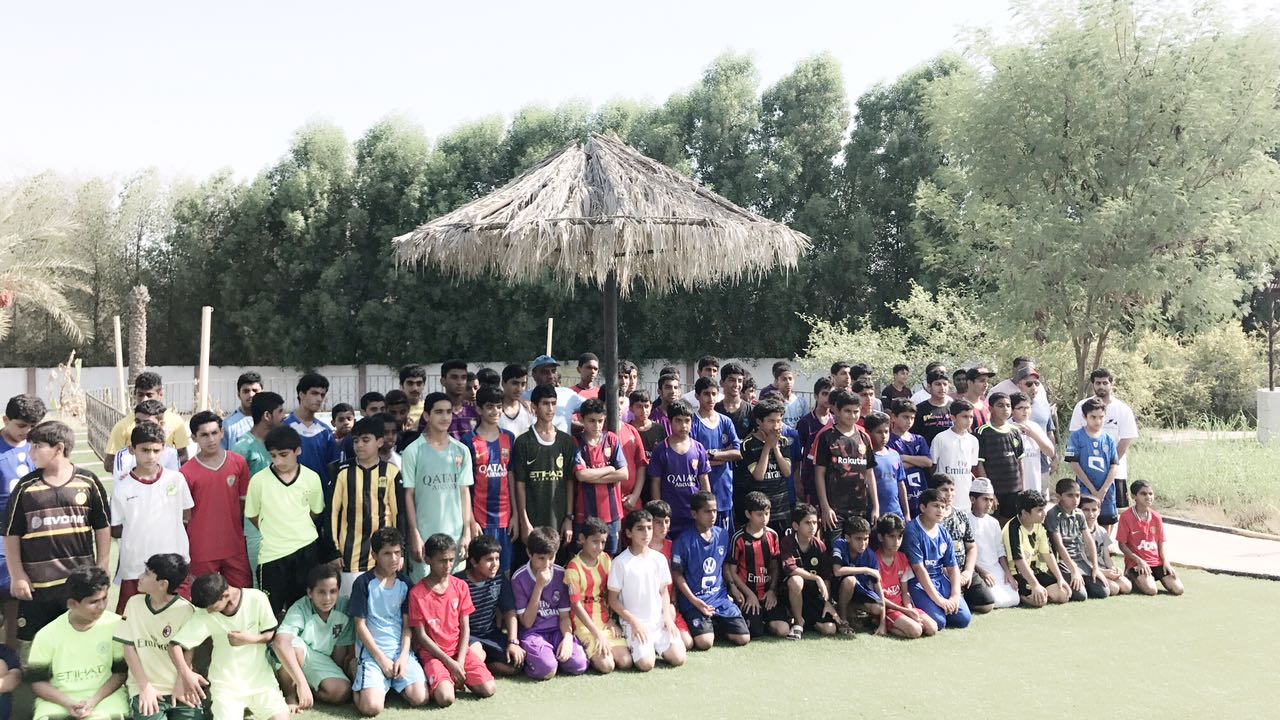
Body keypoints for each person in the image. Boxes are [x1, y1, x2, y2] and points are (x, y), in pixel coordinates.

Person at [3, 420, 110, 643]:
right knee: (38, 643)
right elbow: (11, 533)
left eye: (37, 446)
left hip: (79, 583)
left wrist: (102, 565)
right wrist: (18, 575)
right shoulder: (25, 487)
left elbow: (102, 526)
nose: (30, 452)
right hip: (39, 586)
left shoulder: (88, 482)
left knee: (81, 639)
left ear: (59, 448)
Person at [170, 572, 288, 720]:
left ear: (225, 595)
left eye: (212, 607)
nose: (208, 611)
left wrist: (249, 639)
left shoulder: (257, 598)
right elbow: (174, 645)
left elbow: (270, 633)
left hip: (261, 681)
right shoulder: (204, 613)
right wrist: (186, 674)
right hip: (226, 687)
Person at [110, 423, 193, 612]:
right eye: (145, 450)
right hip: (136, 567)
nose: (151, 456)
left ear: (164, 449)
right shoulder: (122, 487)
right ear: (132, 449)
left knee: (180, 616)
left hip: (174, 564)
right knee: (132, 618)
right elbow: (116, 528)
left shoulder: (176, 479)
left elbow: (186, 514)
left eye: (156, 450)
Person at [407, 533, 496, 707]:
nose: (448, 565)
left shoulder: (461, 586)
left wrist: (459, 662)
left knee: (489, 688)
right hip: (433, 655)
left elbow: (465, 628)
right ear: (428, 560)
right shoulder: (416, 593)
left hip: (458, 651)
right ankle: (438, 679)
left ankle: (451, 677)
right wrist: (449, 663)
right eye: (442, 561)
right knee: (446, 698)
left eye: (450, 560)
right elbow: (421, 637)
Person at [345, 528, 428, 713]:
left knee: (421, 698)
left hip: (399, 653)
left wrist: (403, 658)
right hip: (373, 655)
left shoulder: (406, 584)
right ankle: (358, 676)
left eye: (397, 552)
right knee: (371, 708)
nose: (394, 558)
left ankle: (388, 684)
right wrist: (381, 660)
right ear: (374, 555)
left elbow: (407, 627)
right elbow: (360, 626)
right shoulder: (363, 583)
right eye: (387, 554)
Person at [29, 565, 128, 720]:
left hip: (105, 699)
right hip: (58, 702)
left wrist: (93, 701)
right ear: (72, 604)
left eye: (104, 598)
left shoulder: (117, 625)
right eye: (94, 602)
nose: (101, 606)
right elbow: (37, 681)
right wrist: (68, 703)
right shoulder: (46, 635)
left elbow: (120, 674)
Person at [245, 425, 325, 616]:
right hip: (272, 556)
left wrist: (297, 528)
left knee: (306, 611)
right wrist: (274, 529)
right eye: (273, 456)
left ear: (298, 450)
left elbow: (315, 512)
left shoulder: (312, 478)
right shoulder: (258, 481)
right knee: (268, 614)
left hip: (306, 551)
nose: (278, 461)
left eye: (283, 454)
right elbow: (252, 515)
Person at [114, 553, 196, 720]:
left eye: (147, 573)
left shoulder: (186, 610)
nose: (140, 577)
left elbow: (189, 650)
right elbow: (129, 649)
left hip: (180, 687)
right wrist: (145, 688)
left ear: (162, 584)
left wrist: (180, 684)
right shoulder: (133, 604)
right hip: (145, 689)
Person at [402, 392, 474, 580]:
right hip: (425, 537)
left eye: (449, 412)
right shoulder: (413, 451)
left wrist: (467, 531)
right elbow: (409, 495)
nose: (445, 417)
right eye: (439, 412)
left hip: (455, 536)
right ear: (427, 416)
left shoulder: (461, 450)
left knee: (454, 590)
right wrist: (414, 534)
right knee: (424, 591)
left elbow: (464, 492)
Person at [607, 508, 687, 672]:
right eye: (640, 529)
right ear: (628, 533)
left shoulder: (659, 559)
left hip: (658, 622)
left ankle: (654, 646)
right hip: (634, 624)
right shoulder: (620, 563)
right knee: (646, 664)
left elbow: (664, 591)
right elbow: (612, 600)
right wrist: (634, 622)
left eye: (649, 528)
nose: (646, 533)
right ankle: (639, 646)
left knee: (679, 658)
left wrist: (667, 618)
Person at [182, 411, 252, 591]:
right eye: (204, 435)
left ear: (222, 432)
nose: (211, 439)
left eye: (214, 432)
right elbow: (185, 516)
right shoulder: (185, 472)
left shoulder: (238, 463)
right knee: (204, 597)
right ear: (194, 438)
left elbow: (243, 503)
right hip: (201, 549)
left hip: (234, 545)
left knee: (241, 595)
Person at [671, 492, 750, 649]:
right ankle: (705, 627)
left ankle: (714, 624)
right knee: (705, 642)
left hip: (719, 598)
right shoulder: (683, 541)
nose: (713, 515)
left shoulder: (723, 535)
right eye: (707, 511)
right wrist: (694, 601)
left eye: (714, 511)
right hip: (694, 600)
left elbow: (725, 564)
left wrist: (732, 587)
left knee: (743, 638)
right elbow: (677, 574)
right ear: (694, 514)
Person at [331, 416, 401, 595]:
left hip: (385, 555)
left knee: (383, 604)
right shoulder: (343, 472)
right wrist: (334, 550)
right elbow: (332, 513)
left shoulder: (392, 472)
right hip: (351, 555)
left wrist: (401, 551)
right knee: (353, 604)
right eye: (356, 441)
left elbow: (398, 514)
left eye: (365, 440)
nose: (359, 445)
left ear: (379, 442)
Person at [271, 563, 354, 711]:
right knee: (292, 648)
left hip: (321, 659)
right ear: (310, 592)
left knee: (341, 692)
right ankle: (290, 694)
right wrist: (301, 683)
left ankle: (307, 691)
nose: (327, 598)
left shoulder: (344, 608)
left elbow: (340, 652)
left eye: (333, 591)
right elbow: (280, 642)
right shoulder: (300, 608)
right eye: (321, 592)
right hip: (301, 654)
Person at [511, 526, 588, 680]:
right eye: (541, 558)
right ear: (529, 553)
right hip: (533, 633)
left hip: (557, 631)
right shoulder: (518, 578)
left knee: (579, 664)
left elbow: (564, 617)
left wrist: (567, 638)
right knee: (547, 669)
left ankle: (553, 654)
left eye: (551, 557)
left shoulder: (561, 574)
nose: (546, 564)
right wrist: (539, 586)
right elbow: (527, 623)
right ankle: (540, 659)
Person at [512, 386, 576, 566]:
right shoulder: (523, 441)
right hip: (533, 521)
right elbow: (519, 484)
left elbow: (569, 482)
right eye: (545, 404)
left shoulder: (565, 441)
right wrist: (524, 521)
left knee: (556, 570)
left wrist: (568, 518)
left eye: (553, 403)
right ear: (534, 407)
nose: (550, 408)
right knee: (531, 570)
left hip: (558, 522)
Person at [0, 393, 46, 647]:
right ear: (6, 420)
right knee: (6, 591)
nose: (26, 431)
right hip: (3, 535)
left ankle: (14, 649)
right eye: (21, 425)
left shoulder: (40, 446)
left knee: (21, 596)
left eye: (32, 426)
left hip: (34, 533)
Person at [232, 390, 286, 582]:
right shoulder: (242, 447)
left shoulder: (281, 444)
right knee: (260, 577)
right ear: (267, 416)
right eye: (280, 412)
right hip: (255, 523)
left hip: (282, 519)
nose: (284, 416)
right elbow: (235, 492)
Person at [461, 386, 517, 573]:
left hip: (505, 520)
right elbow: (464, 486)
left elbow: (511, 477)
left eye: (499, 406)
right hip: (480, 521)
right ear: (479, 409)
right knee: (480, 570)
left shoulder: (509, 438)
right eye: (490, 407)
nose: (496, 411)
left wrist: (515, 515)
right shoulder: (468, 441)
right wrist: (471, 521)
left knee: (503, 570)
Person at [564, 518, 630, 674]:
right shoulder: (573, 568)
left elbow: (610, 593)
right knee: (607, 666)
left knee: (626, 662)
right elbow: (576, 606)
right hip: (584, 625)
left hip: (604, 621)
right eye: (595, 541)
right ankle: (584, 647)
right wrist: (597, 634)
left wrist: (612, 620)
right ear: (582, 539)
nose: (599, 547)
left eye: (603, 542)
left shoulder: (605, 559)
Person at [1069, 368, 1139, 512]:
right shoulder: (1081, 407)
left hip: (1114, 472)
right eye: (1098, 383)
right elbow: (1075, 438)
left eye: (1105, 383)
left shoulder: (1123, 409)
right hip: (1086, 473)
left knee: (1113, 513)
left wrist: (1108, 465)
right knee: (1085, 512)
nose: (1101, 386)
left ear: (1111, 384)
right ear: (1093, 385)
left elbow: (1125, 441)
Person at [812, 390, 876, 544]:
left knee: (857, 550)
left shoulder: (864, 437)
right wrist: (825, 508)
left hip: (859, 508)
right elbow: (819, 474)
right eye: (847, 411)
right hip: (835, 510)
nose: (852, 415)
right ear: (837, 411)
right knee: (835, 551)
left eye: (856, 411)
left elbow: (870, 473)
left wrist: (876, 507)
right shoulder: (827, 436)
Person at [903, 488, 971, 630]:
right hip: (918, 583)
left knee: (964, 619)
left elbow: (953, 567)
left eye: (943, 507)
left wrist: (955, 595)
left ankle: (942, 608)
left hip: (940, 579)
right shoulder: (912, 531)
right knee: (939, 622)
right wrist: (939, 600)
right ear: (923, 508)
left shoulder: (943, 532)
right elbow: (918, 569)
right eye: (935, 506)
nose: (940, 510)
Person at [457, 535, 524, 677]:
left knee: (516, 663)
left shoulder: (499, 578)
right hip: (467, 635)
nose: (494, 564)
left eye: (497, 559)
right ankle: (479, 661)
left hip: (490, 633)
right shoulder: (458, 582)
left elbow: (509, 611)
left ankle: (486, 664)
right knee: (476, 655)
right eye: (489, 560)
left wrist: (513, 642)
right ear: (474, 562)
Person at [930, 474, 995, 614]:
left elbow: (971, 547)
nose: (949, 494)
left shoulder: (961, 515)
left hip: (964, 571)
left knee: (987, 604)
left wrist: (968, 571)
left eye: (952, 490)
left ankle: (964, 598)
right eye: (944, 490)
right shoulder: (932, 519)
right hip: (942, 572)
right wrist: (952, 575)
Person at [726, 492, 787, 639]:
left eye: (767, 513)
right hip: (748, 595)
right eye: (759, 514)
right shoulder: (738, 538)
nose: (764, 518)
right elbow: (732, 571)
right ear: (748, 514)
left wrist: (772, 590)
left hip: (767, 595)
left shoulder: (773, 535)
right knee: (755, 632)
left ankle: (766, 620)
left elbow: (775, 566)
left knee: (783, 630)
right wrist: (749, 594)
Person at [647, 401, 711, 541]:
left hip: (694, 514)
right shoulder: (661, 450)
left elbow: (704, 480)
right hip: (671, 515)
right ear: (670, 422)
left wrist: (707, 507)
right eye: (678, 421)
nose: (683, 425)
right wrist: (659, 511)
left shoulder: (698, 448)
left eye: (687, 421)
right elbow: (655, 483)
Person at [572, 398, 628, 555]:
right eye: (591, 421)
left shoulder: (611, 439)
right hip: (585, 514)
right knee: (583, 558)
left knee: (610, 558)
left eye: (600, 421)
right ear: (581, 419)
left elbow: (624, 474)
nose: (596, 425)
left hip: (611, 515)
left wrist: (591, 475)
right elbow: (581, 475)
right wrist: (609, 468)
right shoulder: (576, 441)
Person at [104, 372, 190, 473]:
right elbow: (109, 463)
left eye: (149, 395)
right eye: (140, 394)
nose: (144, 399)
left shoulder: (176, 422)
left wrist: (160, 472)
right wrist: (137, 472)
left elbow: (183, 456)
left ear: (160, 394)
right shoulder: (122, 426)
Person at [1003, 490, 1072, 607]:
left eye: (1044, 509)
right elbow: (1018, 560)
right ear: (1025, 513)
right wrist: (1035, 585)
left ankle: (1041, 593)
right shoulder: (1012, 528)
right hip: (1019, 574)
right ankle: (1021, 596)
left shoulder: (1039, 524)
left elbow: (1048, 553)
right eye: (1039, 510)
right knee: (1040, 601)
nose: (1044, 513)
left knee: (1063, 595)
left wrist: (1060, 578)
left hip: (1036, 571)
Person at [689, 377, 741, 530]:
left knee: (724, 538)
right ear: (697, 396)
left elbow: (737, 453)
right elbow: (693, 462)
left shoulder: (725, 421)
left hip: (724, 491)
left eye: (714, 394)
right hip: (701, 492)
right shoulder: (692, 423)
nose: (711, 398)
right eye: (706, 394)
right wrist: (724, 456)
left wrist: (711, 456)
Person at [781, 504, 839, 639]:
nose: (812, 527)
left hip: (811, 595)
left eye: (815, 522)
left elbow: (826, 576)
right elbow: (790, 569)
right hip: (788, 593)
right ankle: (798, 622)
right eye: (807, 523)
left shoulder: (820, 546)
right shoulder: (787, 542)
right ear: (796, 526)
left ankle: (807, 621)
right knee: (796, 580)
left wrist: (827, 601)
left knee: (830, 629)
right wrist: (816, 578)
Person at [1045, 478, 1109, 601]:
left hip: (1080, 560)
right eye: (1070, 496)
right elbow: (1059, 545)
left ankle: (1082, 580)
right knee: (1081, 596)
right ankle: (1055, 577)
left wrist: (1095, 567)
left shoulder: (1079, 513)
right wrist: (1074, 571)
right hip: (1063, 562)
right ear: (1059, 497)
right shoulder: (1053, 514)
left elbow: (1089, 540)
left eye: (1077, 495)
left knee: (1103, 591)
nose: (1075, 500)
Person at [873, 514, 936, 638]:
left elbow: (904, 591)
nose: (896, 542)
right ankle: (880, 623)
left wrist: (909, 609)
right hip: (887, 609)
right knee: (916, 631)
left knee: (932, 628)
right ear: (880, 537)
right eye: (891, 536)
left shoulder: (902, 558)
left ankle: (903, 624)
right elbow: (878, 597)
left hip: (902, 607)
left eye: (899, 537)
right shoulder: (873, 560)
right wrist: (904, 611)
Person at [1117, 481, 1183, 596]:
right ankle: (1130, 575)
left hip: (1157, 563)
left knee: (1178, 589)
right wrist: (1139, 561)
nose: (1148, 497)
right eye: (1143, 494)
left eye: (1150, 493)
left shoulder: (1157, 517)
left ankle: (1150, 577)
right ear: (1134, 496)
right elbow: (1122, 545)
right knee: (1151, 590)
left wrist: (1166, 562)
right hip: (1137, 563)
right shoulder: (1126, 516)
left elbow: (1160, 543)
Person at [643, 500, 694, 650]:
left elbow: (676, 577)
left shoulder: (673, 546)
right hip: (647, 607)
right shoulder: (640, 548)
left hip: (669, 605)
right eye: (658, 522)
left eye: (666, 521)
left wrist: (673, 603)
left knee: (688, 643)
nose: (664, 526)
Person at [1067, 396, 1121, 532]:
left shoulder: (1109, 439)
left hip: (1106, 490)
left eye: (1101, 417)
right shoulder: (1076, 437)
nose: (1098, 421)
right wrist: (1092, 490)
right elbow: (1074, 464)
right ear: (1085, 416)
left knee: (1106, 521)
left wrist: (1103, 490)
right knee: (1085, 522)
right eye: (1093, 417)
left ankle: (1104, 545)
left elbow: (1114, 465)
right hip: (1085, 489)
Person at [967, 479, 1021, 608]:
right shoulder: (965, 520)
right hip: (976, 569)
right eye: (985, 499)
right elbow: (965, 553)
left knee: (1014, 599)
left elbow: (1000, 550)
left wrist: (1007, 573)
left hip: (995, 568)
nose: (989, 504)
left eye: (991, 500)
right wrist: (982, 573)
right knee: (993, 601)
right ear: (973, 499)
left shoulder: (994, 522)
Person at [974, 392, 1025, 517]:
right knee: (994, 522)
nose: (1005, 409)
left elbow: (1020, 462)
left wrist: (1022, 488)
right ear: (991, 409)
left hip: (1014, 490)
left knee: (1011, 523)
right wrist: (989, 491)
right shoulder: (982, 432)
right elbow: (980, 464)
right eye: (1000, 405)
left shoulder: (1015, 431)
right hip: (995, 490)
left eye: (1008, 405)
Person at [285, 372, 340, 486]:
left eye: (322, 395)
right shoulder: (284, 428)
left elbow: (333, 467)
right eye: (314, 393)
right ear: (301, 394)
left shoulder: (325, 432)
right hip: (290, 492)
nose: (319, 399)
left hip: (320, 493)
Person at [831, 516, 883, 633]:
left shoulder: (870, 555)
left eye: (866, 539)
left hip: (860, 592)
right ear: (848, 538)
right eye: (858, 539)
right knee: (850, 580)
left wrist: (883, 621)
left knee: (879, 608)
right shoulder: (839, 545)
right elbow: (837, 571)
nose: (863, 543)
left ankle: (851, 609)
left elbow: (877, 584)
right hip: (839, 588)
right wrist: (866, 570)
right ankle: (843, 620)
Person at [111, 400, 181, 484]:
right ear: (132, 450)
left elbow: (173, 484)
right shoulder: (123, 455)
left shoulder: (171, 453)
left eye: (147, 422)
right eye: (137, 422)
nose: (141, 426)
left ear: (161, 424)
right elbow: (122, 484)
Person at [930, 399, 979, 510]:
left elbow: (971, 468)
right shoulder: (941, 438)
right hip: (945, 498)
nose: (969, 420)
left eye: (971, 417)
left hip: (964, 497)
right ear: (953, 417)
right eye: (965, 416)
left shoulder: (973, 440)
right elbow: (932, 466)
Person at [888, 398, 932, 519]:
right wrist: (918, 462)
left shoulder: (919, 439)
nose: (909, 421)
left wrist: (903, 457)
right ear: (894, 417)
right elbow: (895, 467)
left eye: (912, 418)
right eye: (905, 417)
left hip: (920, 492)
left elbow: (928, 462)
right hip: (901, 493)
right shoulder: (889, 440)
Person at [1082, 496, 1132, 596]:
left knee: (1127, 586)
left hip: (1103, 568)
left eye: (1094, 510)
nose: (1091, 514)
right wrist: (1103, 572)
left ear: (1099, 511)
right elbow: (1082, 561)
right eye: (1086, 510)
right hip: (1088, 570)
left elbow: (1106, 557)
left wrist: (1113, 569)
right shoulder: (1078, 532)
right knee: (1114, 588)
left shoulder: (1102, 531)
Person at [794, 377, 833, 504]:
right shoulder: (805, 422)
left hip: (832, 480)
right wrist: (797, 481)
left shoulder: (836, 421)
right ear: (816, 396)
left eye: (831, 394)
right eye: (825, 394)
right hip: (810, 479)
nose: (828, 398)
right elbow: (797, 455)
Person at [865, 412, 909, 520]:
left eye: (886, 431)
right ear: (868, 433)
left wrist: (906, 513)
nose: (884, 436)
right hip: (875, 515)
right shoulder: (866, 457)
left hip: (896, 513)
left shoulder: (894, 455)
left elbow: (900, 484)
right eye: (879, 432)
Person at [524, 356, 584, 434]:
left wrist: (585, 425)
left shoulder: (567, 394)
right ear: (534, 375)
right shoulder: (524, 397)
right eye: (545, 372)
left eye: (553, 371)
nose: (551, 376)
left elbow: (592, 407)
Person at [1010, 390, 1054, 494]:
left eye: (1028, 407)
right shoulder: (1008, 427)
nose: (1025, 411)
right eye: (1020, 408)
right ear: (1011, 410)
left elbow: (1050, 452)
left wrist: (1032, 434)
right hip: (1015, 484)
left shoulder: (1035, 427)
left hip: (1034, 483)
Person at [338, 392, 389, 462]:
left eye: (382, 409)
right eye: (374, 409)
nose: (379, 412)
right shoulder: (352, 438)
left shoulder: (391, 434)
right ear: (363, 412)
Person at [220, 371, 262, 451]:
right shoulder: (228, 424)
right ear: (239, 395)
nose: (251, 395)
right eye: (246, 391)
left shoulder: (271, 421)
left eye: (255, 390)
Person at [911, 369, 954, 445]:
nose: (942, 388)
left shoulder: (955, 408)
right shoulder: (919, 409)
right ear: (929, 386)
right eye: (938, 384)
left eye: (945, 384)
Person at [714, 362, 753, 440]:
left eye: (740, 381)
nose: (736, 384)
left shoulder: (751, 411)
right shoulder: (715, 410)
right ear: (721, 382)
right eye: (732, 380)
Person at [498, 364, 535, 437]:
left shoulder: (529, 410)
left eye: (523, 384)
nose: (519, 389)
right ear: (503, 383)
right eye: (514, 383)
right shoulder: (494, 412)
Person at [627, 390, 667, 454]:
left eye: (646, 406)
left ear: (651, 406)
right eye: (639, 407)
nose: (644, 410)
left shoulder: (659, 429)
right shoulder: (627, 430)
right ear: (631, 408)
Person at [771, 362, 806, 427]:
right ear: (777, 381)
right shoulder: (772, 401)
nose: (788, 382)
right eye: (784, 379)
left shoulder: (801, 402)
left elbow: (805, 423)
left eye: (790, 379)